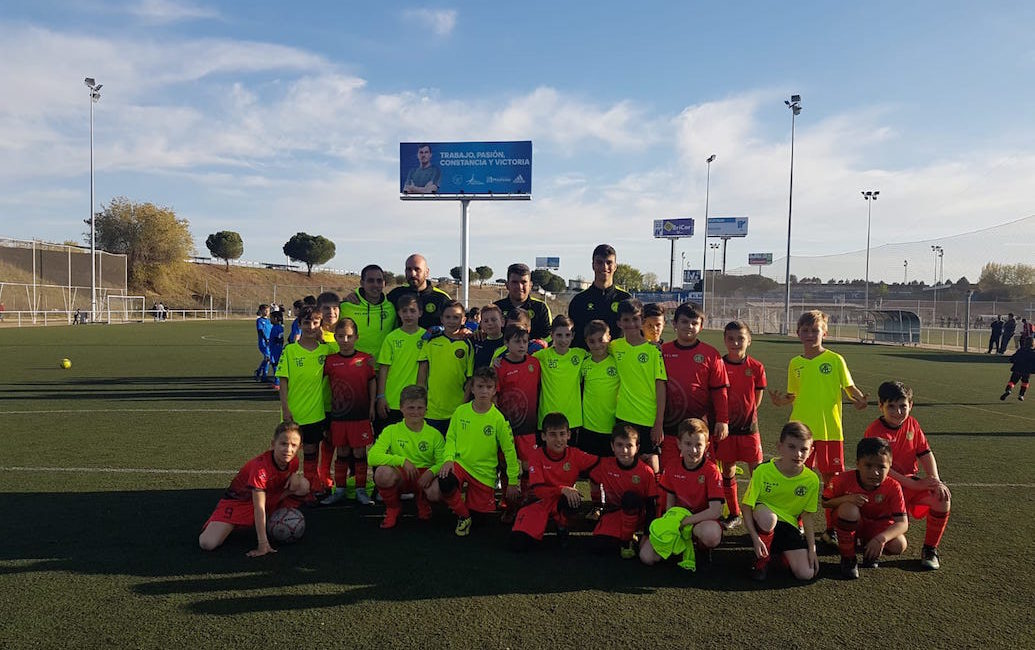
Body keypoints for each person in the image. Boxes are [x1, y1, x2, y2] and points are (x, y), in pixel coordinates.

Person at [769, 309, 867, 546]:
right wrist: (781, 402)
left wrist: (859, 399)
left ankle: (831, 529)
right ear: (798, 333)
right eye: (805, 330)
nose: (810, 335)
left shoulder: (835, 359)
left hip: (830, 431)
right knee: (797, 475)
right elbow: (793, 394)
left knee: (832, 482)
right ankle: (795, 522)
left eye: (815, 330)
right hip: (801, 433)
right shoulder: (795, 363)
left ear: (825, 332)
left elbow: (849, 387)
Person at [864, 381, 951, 570]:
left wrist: (935, 480)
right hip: (884, 490)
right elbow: (882, 469)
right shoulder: (875, 431)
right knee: (897, 545)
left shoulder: (912, 423)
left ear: (910, 405)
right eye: (891, 406)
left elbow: (925, 453)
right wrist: (914, 485)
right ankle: (863, 534)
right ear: (880, 406)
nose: (898, 412)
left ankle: (930, 550)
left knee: (942, 497)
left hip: (908, 485)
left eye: (903, 406)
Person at [428, 366, 521, 536]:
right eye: (480, 386)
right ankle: (463, 516)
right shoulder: (460, 411)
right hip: (461, 464)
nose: (484, 391)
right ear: (472, 388)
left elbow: (509, 451)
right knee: (443, 482)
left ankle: (468, 507)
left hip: (484, 473)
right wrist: (448, 459)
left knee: (480, 521)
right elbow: (451, 438)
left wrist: (513, 481)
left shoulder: (499, 419)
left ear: (494, 390)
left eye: (488, 387)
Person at [199, 421, 310, 556]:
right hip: (240, 502)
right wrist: (263, 544)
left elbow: (292, 473)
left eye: (293, 445)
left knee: (303, 485)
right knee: (207, 543)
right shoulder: (260, 468)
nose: (288, 449)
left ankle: (273, 514)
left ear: (300, 448)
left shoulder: (293, 460)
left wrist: (294, 475)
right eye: (283, 444)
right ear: (273, 444)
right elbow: (259, 507)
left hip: (267, 495)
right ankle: (239, 522)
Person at [741, 422, 821, 582]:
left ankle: (778, 555)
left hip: (789, 526)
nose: (798, 454)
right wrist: (755, 538)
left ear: (811, 451)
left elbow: (807, 516)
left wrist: (812, 549)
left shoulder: (811, 480)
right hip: (763, 522)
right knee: (769, 518)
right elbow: (746, 506)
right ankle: (761, 561)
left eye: (804, 449)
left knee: (806, 574)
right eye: (791, 447)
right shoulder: (763, 471)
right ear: (780, 446)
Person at [640, 418, 723, 567]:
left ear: (707, 446)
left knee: (711, 535)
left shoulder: (712, 471)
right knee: (646, 557)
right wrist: (670, 526)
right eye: (688, 444)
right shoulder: (672, 467)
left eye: (698, 445)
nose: (693, 450)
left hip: (700, 521)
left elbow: (716, 511)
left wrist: (685, 522)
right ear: (679, 444)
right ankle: (678, 545)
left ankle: (701, 547)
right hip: (678, 520)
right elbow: (670, 505)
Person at [511, 412, 599, 550]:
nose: (558, 439)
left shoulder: (575, 454)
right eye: (552, 434)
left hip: (561, 501)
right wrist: (562, 489)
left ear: (568, 435)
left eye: (562, 434)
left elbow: (601, 464)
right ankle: (535, 523)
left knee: (573, 500)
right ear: (543, 436)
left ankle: (562, 526)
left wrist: (629, 461)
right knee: (518, 544)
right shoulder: (536, 456)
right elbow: (538, 491)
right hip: (539, 502)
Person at [823, 437, 908, 579]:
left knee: (899, 545)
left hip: (877, 527)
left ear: (890, 465)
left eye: (881, 467)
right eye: (868, 466)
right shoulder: (842, 480)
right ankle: (848, 558)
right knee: (848, 510)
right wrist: (847, 499)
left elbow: (903, 523)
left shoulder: (893, 486)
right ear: (858, 464)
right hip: (854, 523)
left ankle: (869, 547)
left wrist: (880, 539)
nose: (875, 472)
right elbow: (825, 502)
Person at [660, 303, 729, 470]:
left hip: (700, 426)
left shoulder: (711, 354)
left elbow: (719, 390)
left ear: (701, 326)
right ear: (674, 324)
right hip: (669, 425)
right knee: (668, 471)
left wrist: (722, 420)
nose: (689, 326)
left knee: (703, 472)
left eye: (694, 323)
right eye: (684, 322)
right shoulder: (662, 352)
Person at [276, 306, 335, 496]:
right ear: (299, 324)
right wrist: (285, 408)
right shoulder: (290, 350)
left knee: (311, 450)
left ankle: (311, 487)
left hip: (315, 413)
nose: (311, 327)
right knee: (288, 452)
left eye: (315, 323)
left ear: (320, 325)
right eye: (306, 323)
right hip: (294, 412)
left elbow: (346, 350)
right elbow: (283, 381)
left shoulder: (326, 350)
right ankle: (282, 488)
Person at [368, 385, 445, 528]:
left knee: (438, 490)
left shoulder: (435, 434)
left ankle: (423, 501)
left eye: (420, 408)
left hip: (424, 477)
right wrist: (402, 461)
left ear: (426, 409)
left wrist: (431, 472)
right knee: (382, 473)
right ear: (401, 408)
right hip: (401, 475)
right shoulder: (391, 431)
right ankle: (393, 508)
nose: (415, 412)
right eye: (410, 408)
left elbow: (443, 462)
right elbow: (372, 457)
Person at [716, 320, 766, 530]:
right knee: (728, 470)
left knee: (757, 472)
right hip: (725, 430)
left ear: (749, 340)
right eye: (731, 338)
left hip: (749, 430)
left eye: (740, 338)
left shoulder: (756, 367)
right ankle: (734, 512)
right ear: (725, 340)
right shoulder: (719, 365)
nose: (735, 343)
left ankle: (758, 513)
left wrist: (747, 415)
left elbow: (757, 398)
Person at [321, 318, 376, 506]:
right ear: (335, 337)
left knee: (360, 453)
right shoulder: (330, 361)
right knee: (342, 452)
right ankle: (340, 490)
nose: (345, 340)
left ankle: (361, 490)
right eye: (341, 336)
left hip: (360, 415)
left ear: (356, 337)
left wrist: (371, 406)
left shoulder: (365, 359)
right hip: (339, 416)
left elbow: (372, 382)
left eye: (349, 336)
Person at [588, 423, 659, 559]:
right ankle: (627, 537)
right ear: (612, 446)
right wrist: (597, 503)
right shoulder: (605, 465)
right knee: (597, 546)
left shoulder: (646, 472)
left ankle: (627, 540)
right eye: (619, 445)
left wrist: (647, 534)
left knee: (630, 498)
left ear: (637, 448)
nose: (624, 450)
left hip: (638, 516)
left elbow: (651, 505)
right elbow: (593, 479)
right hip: (615, 513)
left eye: (629, 446)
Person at [611, 299, 667, 472]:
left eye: (635, 319)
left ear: (642, 321)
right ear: (619, 323)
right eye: (626, 320)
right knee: (626, 460)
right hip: (624, 415)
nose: (631, 324)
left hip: (648, 417)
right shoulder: (614, 346)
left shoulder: (653, 351)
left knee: (651, 459)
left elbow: (661, 387)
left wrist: (659, 423)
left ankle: (655, 490)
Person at [417, 300, 474, 435]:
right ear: (441, 319)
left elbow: (470, 379)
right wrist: (421, 400)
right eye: (448, 317)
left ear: (463, 320)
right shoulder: (431, 341)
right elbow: (422, 374)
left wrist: (463, 406)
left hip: (456, 409)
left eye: (456, 317)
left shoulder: (467, 344)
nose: (451, 321)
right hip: (432, 410)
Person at [495, 324, 541, 476]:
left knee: (528, 464)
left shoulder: (534, 363)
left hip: (528, 425)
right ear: (506, 343)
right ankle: (507, 490)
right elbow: (495, 395)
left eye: (525, 342)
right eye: (517, 342)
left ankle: (528, 490)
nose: (522, 345)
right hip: (507, 425)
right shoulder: (500, 366)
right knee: (507, 463)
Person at [567, 244, 632, 350]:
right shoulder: (579, 301)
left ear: (615, 266)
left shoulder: (625, 299)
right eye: (599, 262)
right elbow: (571, 338)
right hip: (587, 359)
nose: (604, 267)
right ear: (593, 265)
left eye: (609, 262)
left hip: (618, 358)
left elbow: (637, 333)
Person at [376, 293, 426, 429]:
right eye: (404, 311)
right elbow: (383, 369)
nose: (408, 315)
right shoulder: (391, 338)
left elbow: (424, 368)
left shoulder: (426, 337)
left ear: (420, 313)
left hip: (415, 401)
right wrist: (381, 396)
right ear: (399, 313)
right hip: (392, 400)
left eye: (412, 311)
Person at [534, 315, 585, 433]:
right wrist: (498, 360)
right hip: (547, 417)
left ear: (573, 336)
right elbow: (520, 359)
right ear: (552, 335)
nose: (563, 340)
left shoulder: (580, 354)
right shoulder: (542, 356)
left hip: (572, 419)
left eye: (567, 335)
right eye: (559, 335)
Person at [579, 320, 620, 458]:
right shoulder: (584, 364)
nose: (597, 345)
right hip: (588, 426)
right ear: (586, 342)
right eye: (592, 341)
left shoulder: (617, 362)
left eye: (601, 340)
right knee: (590, 467)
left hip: (611, 426)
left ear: (609, 338)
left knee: (609, 465)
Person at [339, 264, 397, 361]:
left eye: (379, 281)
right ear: (362, 283)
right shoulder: (346, 306)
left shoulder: (391, 308)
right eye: (370, 280)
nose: (375, 285)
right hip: (352, 365)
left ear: (384, 283)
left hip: (383, 366)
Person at [387, 254, 451, 328]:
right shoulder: (395, 295)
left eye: (417, 269)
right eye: (409, 269)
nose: (412, 274)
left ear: (427, 272)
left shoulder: (441, 298)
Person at [493, 263, 552, 341]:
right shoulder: (496, 308)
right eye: (515, 282)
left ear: (530, 285)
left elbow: (548, 338)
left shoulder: (541, 308)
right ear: (507, 285)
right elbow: (483, 334)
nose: (519, 286)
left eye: (524, 282)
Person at [1002, 335, 1035, 401]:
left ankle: (1008, 390)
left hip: (1017, 368)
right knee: (1025, 382)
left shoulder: (1021, 350)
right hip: (1027, 370)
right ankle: (1021, 395)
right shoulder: (1033, 352)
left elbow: (1013, 358)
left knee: (1012, 381)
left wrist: (1012, 360)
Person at [471, 304, 504, 369]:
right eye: (486, 321)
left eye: (493, 320)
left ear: (502, 322)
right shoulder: (476, 340)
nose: (490, 323)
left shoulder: (508, 342)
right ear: (481, 324)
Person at [254, 304, 273, 382]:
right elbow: (260, 330)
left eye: (268, 310)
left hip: (270, 343)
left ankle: (259, 372)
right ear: (261, 311)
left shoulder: (269, 321)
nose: (267, 312)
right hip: (263, 343)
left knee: (268, 359)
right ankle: (263, 376)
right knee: (268, 358)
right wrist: (265, 339)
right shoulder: (259, 320)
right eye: (265, 310)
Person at [269, 311, 285, 391]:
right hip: (278, 348)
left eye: (271, 318)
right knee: (276, 364)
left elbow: (277, 339)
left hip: (275, 349)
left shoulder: (275, 328)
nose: (270, 319)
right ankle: (277, 382)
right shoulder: (280, 327)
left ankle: (277, 383)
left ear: (275, 318)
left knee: (275, 365)